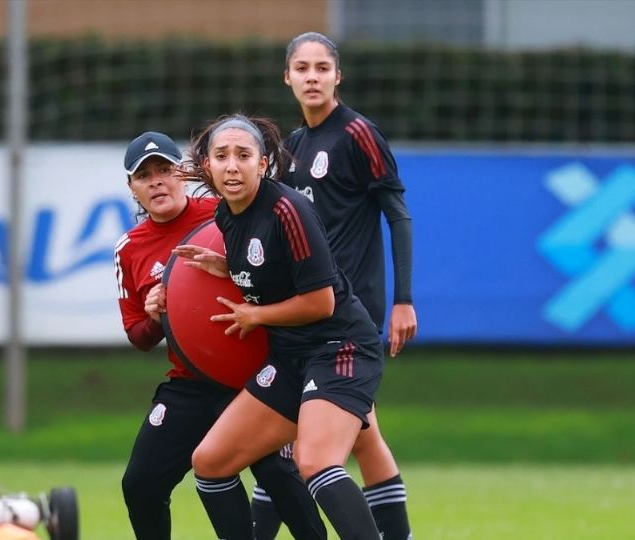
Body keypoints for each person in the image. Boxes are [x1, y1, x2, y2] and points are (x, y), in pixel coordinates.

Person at [172, 113, 384, 539]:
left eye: (243, 155)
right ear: (208, 166)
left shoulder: (289, 209)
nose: (232, 165)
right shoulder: (227, 215)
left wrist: (255, 316)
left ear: (264, 163)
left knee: (316, 462)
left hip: (340, 349)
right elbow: (269, 269)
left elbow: (321, 302)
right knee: (210, 463)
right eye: (221, 156)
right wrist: (228, 267)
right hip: (289, 358)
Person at [114, 131, 326, 540]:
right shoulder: (129, 248)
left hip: (253, 378)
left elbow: (281, 278)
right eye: (144, 176)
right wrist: (155, 313)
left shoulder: (224, 213)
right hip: (190, 383)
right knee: (140, 483)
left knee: (277, 474)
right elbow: (138, 337)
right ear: (132, 188)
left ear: (185, 173)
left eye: (165, 170)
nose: (156, 181)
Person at [252, 31, 418, 540]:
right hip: (310, 311)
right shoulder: (294, 146)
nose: (312, 77)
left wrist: (403, 301)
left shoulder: (359, 134)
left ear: (337, 76)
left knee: (289, 444)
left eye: (322, 68)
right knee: (364, 436)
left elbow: (398, 216)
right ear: (287, 77)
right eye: (302, 68)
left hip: (350, 318)